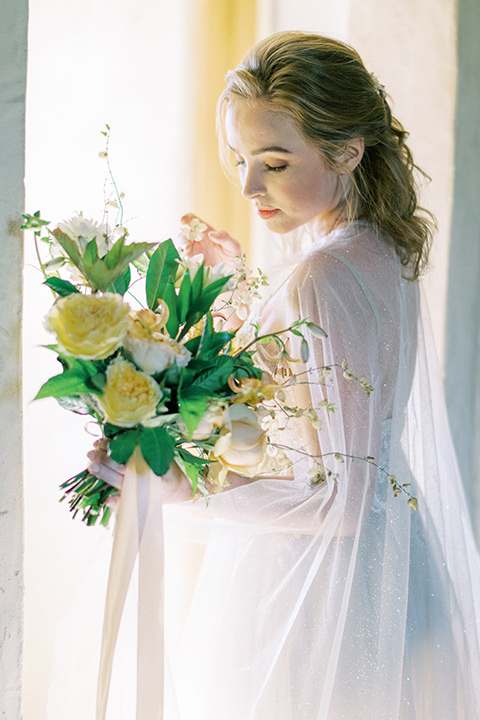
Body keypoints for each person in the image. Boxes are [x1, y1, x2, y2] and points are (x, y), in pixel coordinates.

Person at [87, 31, 480, 719]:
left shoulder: (321, 275)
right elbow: (318, 386)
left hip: (321, 598)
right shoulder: (376, 245)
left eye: (273, 161)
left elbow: (340, 499)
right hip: (391, 575)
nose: (247, 184)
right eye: (240, 158)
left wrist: (184, 490)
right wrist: (238, 282)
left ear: (347, 151)